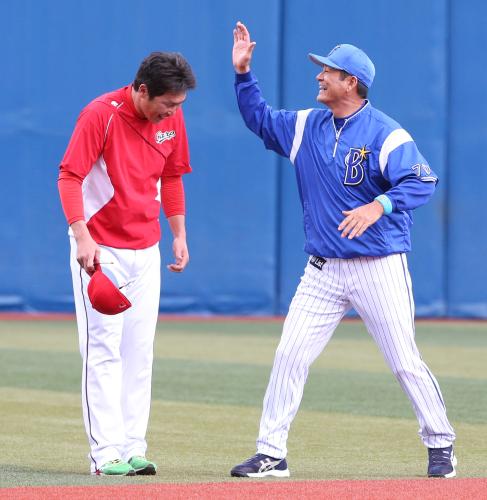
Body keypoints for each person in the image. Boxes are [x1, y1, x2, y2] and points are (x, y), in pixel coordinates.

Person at [230, 21, 456, 479]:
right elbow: (260, 120)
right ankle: (271, 453)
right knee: (289, 356)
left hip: (379, 267)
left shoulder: (385, 133)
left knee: (404, 362)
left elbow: (423, 180)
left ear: (350, 82)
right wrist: (243, 76)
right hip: (322, 270)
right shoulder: (305, 126)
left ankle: (441, 443)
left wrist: (380, 204)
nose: (319, 76)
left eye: (328, 71)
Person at [58, 52, 196, 476]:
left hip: (145, 250)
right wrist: (81, 235)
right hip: (101, 251)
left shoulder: (170, 118)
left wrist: (178, 233)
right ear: (141, 90)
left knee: (140, 353)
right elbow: (69, 176)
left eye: (178, 105)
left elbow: (171, 176)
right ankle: (105, 454)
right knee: (102, 351)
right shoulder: (100, 115)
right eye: (166, 104)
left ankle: (134, 447)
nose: (172, 112)